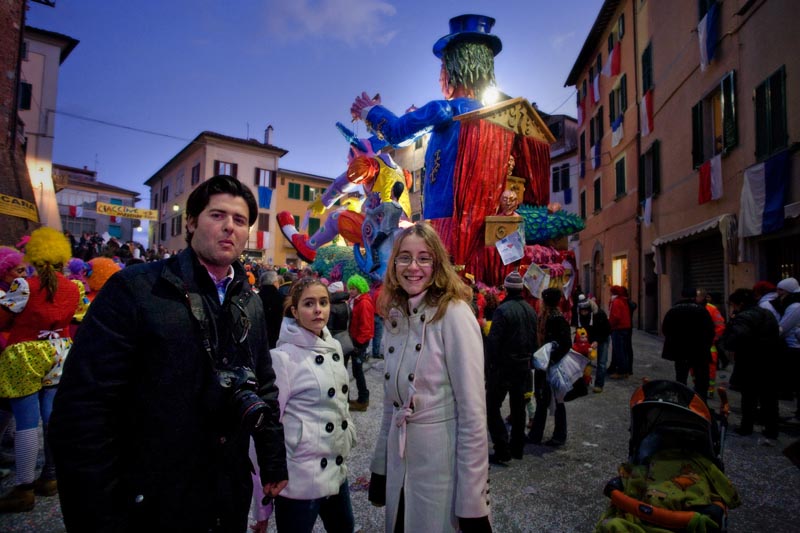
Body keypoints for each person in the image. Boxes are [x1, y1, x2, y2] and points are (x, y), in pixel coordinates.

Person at [49, 175, 289, 532]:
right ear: (191, 222)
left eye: (239, 221)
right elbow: (84, 410)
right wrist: (97, 513)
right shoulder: (136, 289)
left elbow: (264, 385)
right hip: (154, 497)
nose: (229, 227)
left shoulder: (249, 301)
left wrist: (272, 459)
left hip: (226, 491)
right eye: (217, 215)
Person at [368, 222, 491, 533]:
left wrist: (473, 502)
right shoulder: (396, 315)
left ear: (437, 264)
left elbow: (473, 415)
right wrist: (381, 468)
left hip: (440, 472)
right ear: (393, 264)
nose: (413, 267)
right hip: (400, 467)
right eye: (404, 257)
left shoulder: (455, 314)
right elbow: (391, 405)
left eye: (424, 258)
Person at [351, 14, 501, 221]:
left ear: (452, 72)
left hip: (443, 221)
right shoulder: (497, 118)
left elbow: (396, 133)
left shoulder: (443, 110)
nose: (439, 79)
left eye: (441, 69)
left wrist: (369, 110)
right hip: (481, 221)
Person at [0, 228, 80, 512]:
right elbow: (77, 316)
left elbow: (2, 320)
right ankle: (50, 478)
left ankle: (23, 488)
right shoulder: (74, 288)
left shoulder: (24, 285)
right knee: (53, 419)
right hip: (60, 353)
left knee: (25, 423)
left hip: (25, 354)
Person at [270, 277, 356, 532]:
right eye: (309, 303)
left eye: (323, 302)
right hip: (300, 477)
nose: (318, 309)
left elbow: (341, 404)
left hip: (336, 470)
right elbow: (270, 423)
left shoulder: (335, 347)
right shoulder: (282, 358)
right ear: (295, 311)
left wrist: (348, 433)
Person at [486, 270, 538, 464]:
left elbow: (494, 342)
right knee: (518, 408)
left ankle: (502, 449)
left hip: (503, 367)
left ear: (506, 289)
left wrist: (489, 366)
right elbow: (535, 340)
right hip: (523, 367)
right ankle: (517, 448)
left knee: (491, 407)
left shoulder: (503, 310)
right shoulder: (531, 311)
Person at [721, 288, 780, 439]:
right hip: (770, 359)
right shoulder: (768, 314)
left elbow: (733, 341)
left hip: (750, 361)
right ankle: (771, 429)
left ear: (740, 303)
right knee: (769, 396)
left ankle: (746, 427)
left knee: (749, 396)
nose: (733, 308)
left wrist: (731, 322)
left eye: (733, 304)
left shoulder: (743, 317)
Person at [528, 287, 572, 447]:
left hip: (551, 367)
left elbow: (566, 343)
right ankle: (536, 434)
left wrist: (551, 359)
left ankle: (559, 435)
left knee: (556, 401)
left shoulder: (556, 319)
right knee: (542, 399)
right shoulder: (545, 317)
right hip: (543, 366)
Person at [661, 287, 715, 401]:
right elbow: (710, 331)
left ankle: (682, 402)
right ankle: (701, 404)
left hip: (679, 351)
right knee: (701, 380)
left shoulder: (673, 310)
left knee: (681, 377)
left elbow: (665, 329)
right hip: (699, 351)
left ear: (681, 296)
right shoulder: (701, 310)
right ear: (695, 297)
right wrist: (706, 345)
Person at [346, 274, 374, 412]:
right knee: (357, 372)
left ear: (360, 288)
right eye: (350, 288)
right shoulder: (356, 300)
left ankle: (363, 400)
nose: (351, 291)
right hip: (356, 341)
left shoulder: (363, 302)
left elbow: (366, 326)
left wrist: (359, 344)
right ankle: (362, 399)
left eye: (354, 288)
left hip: (359, 342)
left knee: (358, 372)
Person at [576, 295, 611, 393]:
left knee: (601, 362)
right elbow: (580, 330)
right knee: (585, 361)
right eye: (581, 311)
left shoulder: (599, 314)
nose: (583, 313)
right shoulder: (580, 316)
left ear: (589, 309)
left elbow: (607, 330)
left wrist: (597, 341)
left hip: (602, 338)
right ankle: (585, 381)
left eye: (585, 311)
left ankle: (599, 384)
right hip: (589, 340)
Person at [695, 288, 726, 397]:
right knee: (693, 368)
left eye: (697, 296)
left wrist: (712, 339)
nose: (695, 298)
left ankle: (709, 389)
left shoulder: (712, 309)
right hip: (695, 344)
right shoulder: (693, 307)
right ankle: (697, 387)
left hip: (708, 345)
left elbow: (720, 326)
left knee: (710, 368)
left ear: (703, 297)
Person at [607, 285, 632, 379]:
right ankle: (622, 369)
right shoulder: (623, 300)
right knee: (622, 350)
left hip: (618, 328)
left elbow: (615, 317)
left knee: (619, 351)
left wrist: (610, 326)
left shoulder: (616, 302)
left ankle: (622, 371)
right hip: (625, 327)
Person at [259, 269, 285, 349]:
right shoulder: (283, 299)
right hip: (277, 338)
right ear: (275, 283)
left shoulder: (255, 298)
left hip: (259, 338)